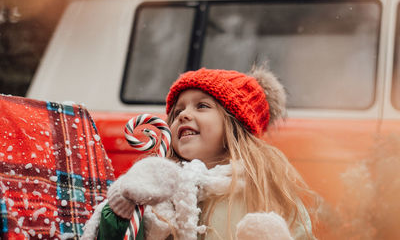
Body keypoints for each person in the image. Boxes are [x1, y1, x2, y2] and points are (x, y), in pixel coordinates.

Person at [82, 65, 317, 240]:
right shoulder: (158, 190)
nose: (183, 115)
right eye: (177, 112)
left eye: (202, 106)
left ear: (234, 125)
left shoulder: (266, 191)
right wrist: (122, 209)